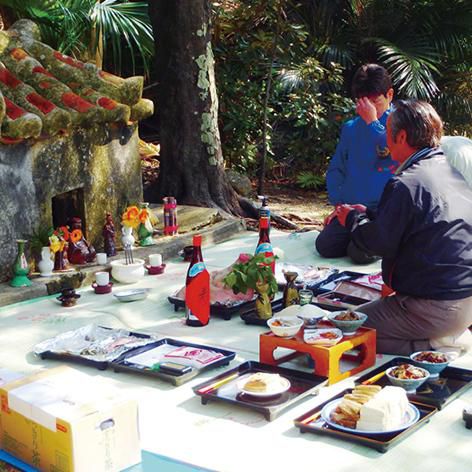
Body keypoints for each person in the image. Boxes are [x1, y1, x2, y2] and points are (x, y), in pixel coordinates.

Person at [335, 100, 472, 355]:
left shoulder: (406, 182)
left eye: (387, 133)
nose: (385, 141)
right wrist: (370, 213)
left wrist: (353, 219)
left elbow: (377, 243)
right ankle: (444, 336)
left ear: (401, 136)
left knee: (342, 330)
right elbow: (420, 218)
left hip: (434, 307)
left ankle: (436, 343)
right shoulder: (448, 173)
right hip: (465, 302)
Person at [315, 64, 398, 263]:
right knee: (325, 246)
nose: (368, 107)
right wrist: (339, 205)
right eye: (363, 101)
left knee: (358, 254)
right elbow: (336, 170)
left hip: (382, 212)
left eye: (375, 100)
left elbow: (393, 153)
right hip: (352, 209)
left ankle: (367, 241)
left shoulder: (401, 124)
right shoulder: (351, 128)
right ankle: (361, 237)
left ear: (389, 95)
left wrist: (373, 123)